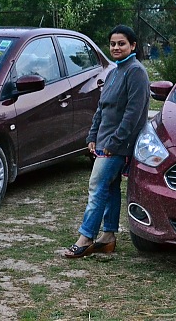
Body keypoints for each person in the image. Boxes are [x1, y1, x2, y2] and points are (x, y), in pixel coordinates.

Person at [64, 25, 150, 258]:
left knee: (97, 186)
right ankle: (108, 236)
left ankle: (86, 237)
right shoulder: (114, 72)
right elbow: (101, 109)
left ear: (133, 45)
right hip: (104, 142)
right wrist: (92, 136)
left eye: (121, 43)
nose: (116, 47)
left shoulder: (136, 72)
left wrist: (115, 142)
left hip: (118, 145)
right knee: (110, 188)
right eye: (112, 44)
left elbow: (133, 114)